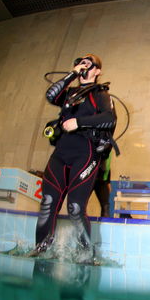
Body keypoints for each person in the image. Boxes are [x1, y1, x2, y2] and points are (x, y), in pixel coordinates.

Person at [31, 54, 117, 259]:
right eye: (81, 62)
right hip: (61, 153)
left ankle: (86, 254)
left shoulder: (100, 94)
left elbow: (109, 119)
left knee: (75, 207)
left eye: (89, 63)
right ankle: (41, 249)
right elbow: (51, 96)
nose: (84, 65)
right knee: (48, 201)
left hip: (85, 153)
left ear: (98, 71)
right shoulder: (69, 93)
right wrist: (72, 74)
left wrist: (79, 122)